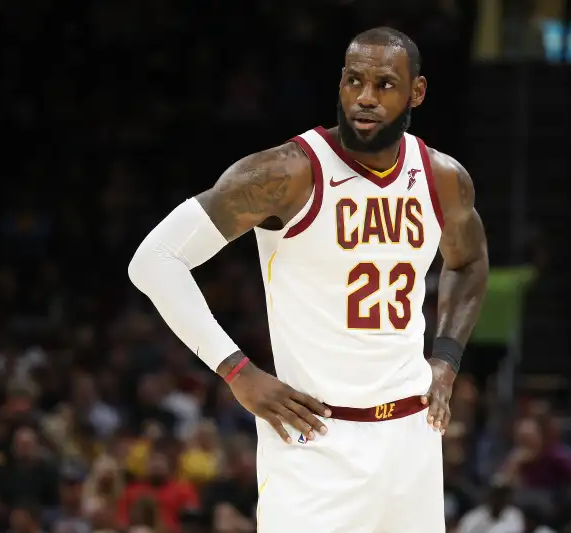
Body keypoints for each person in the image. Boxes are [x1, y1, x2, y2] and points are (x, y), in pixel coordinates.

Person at [128, 26, 489, 533]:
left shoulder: (443, 178)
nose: (364, 98)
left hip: (411, 437)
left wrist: (447, 360)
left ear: (417, 92)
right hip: (314, 438)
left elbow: (469, 262)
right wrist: (238, 372)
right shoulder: (286, 173)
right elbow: (155, 259)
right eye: (353, 81)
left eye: (384, 84)